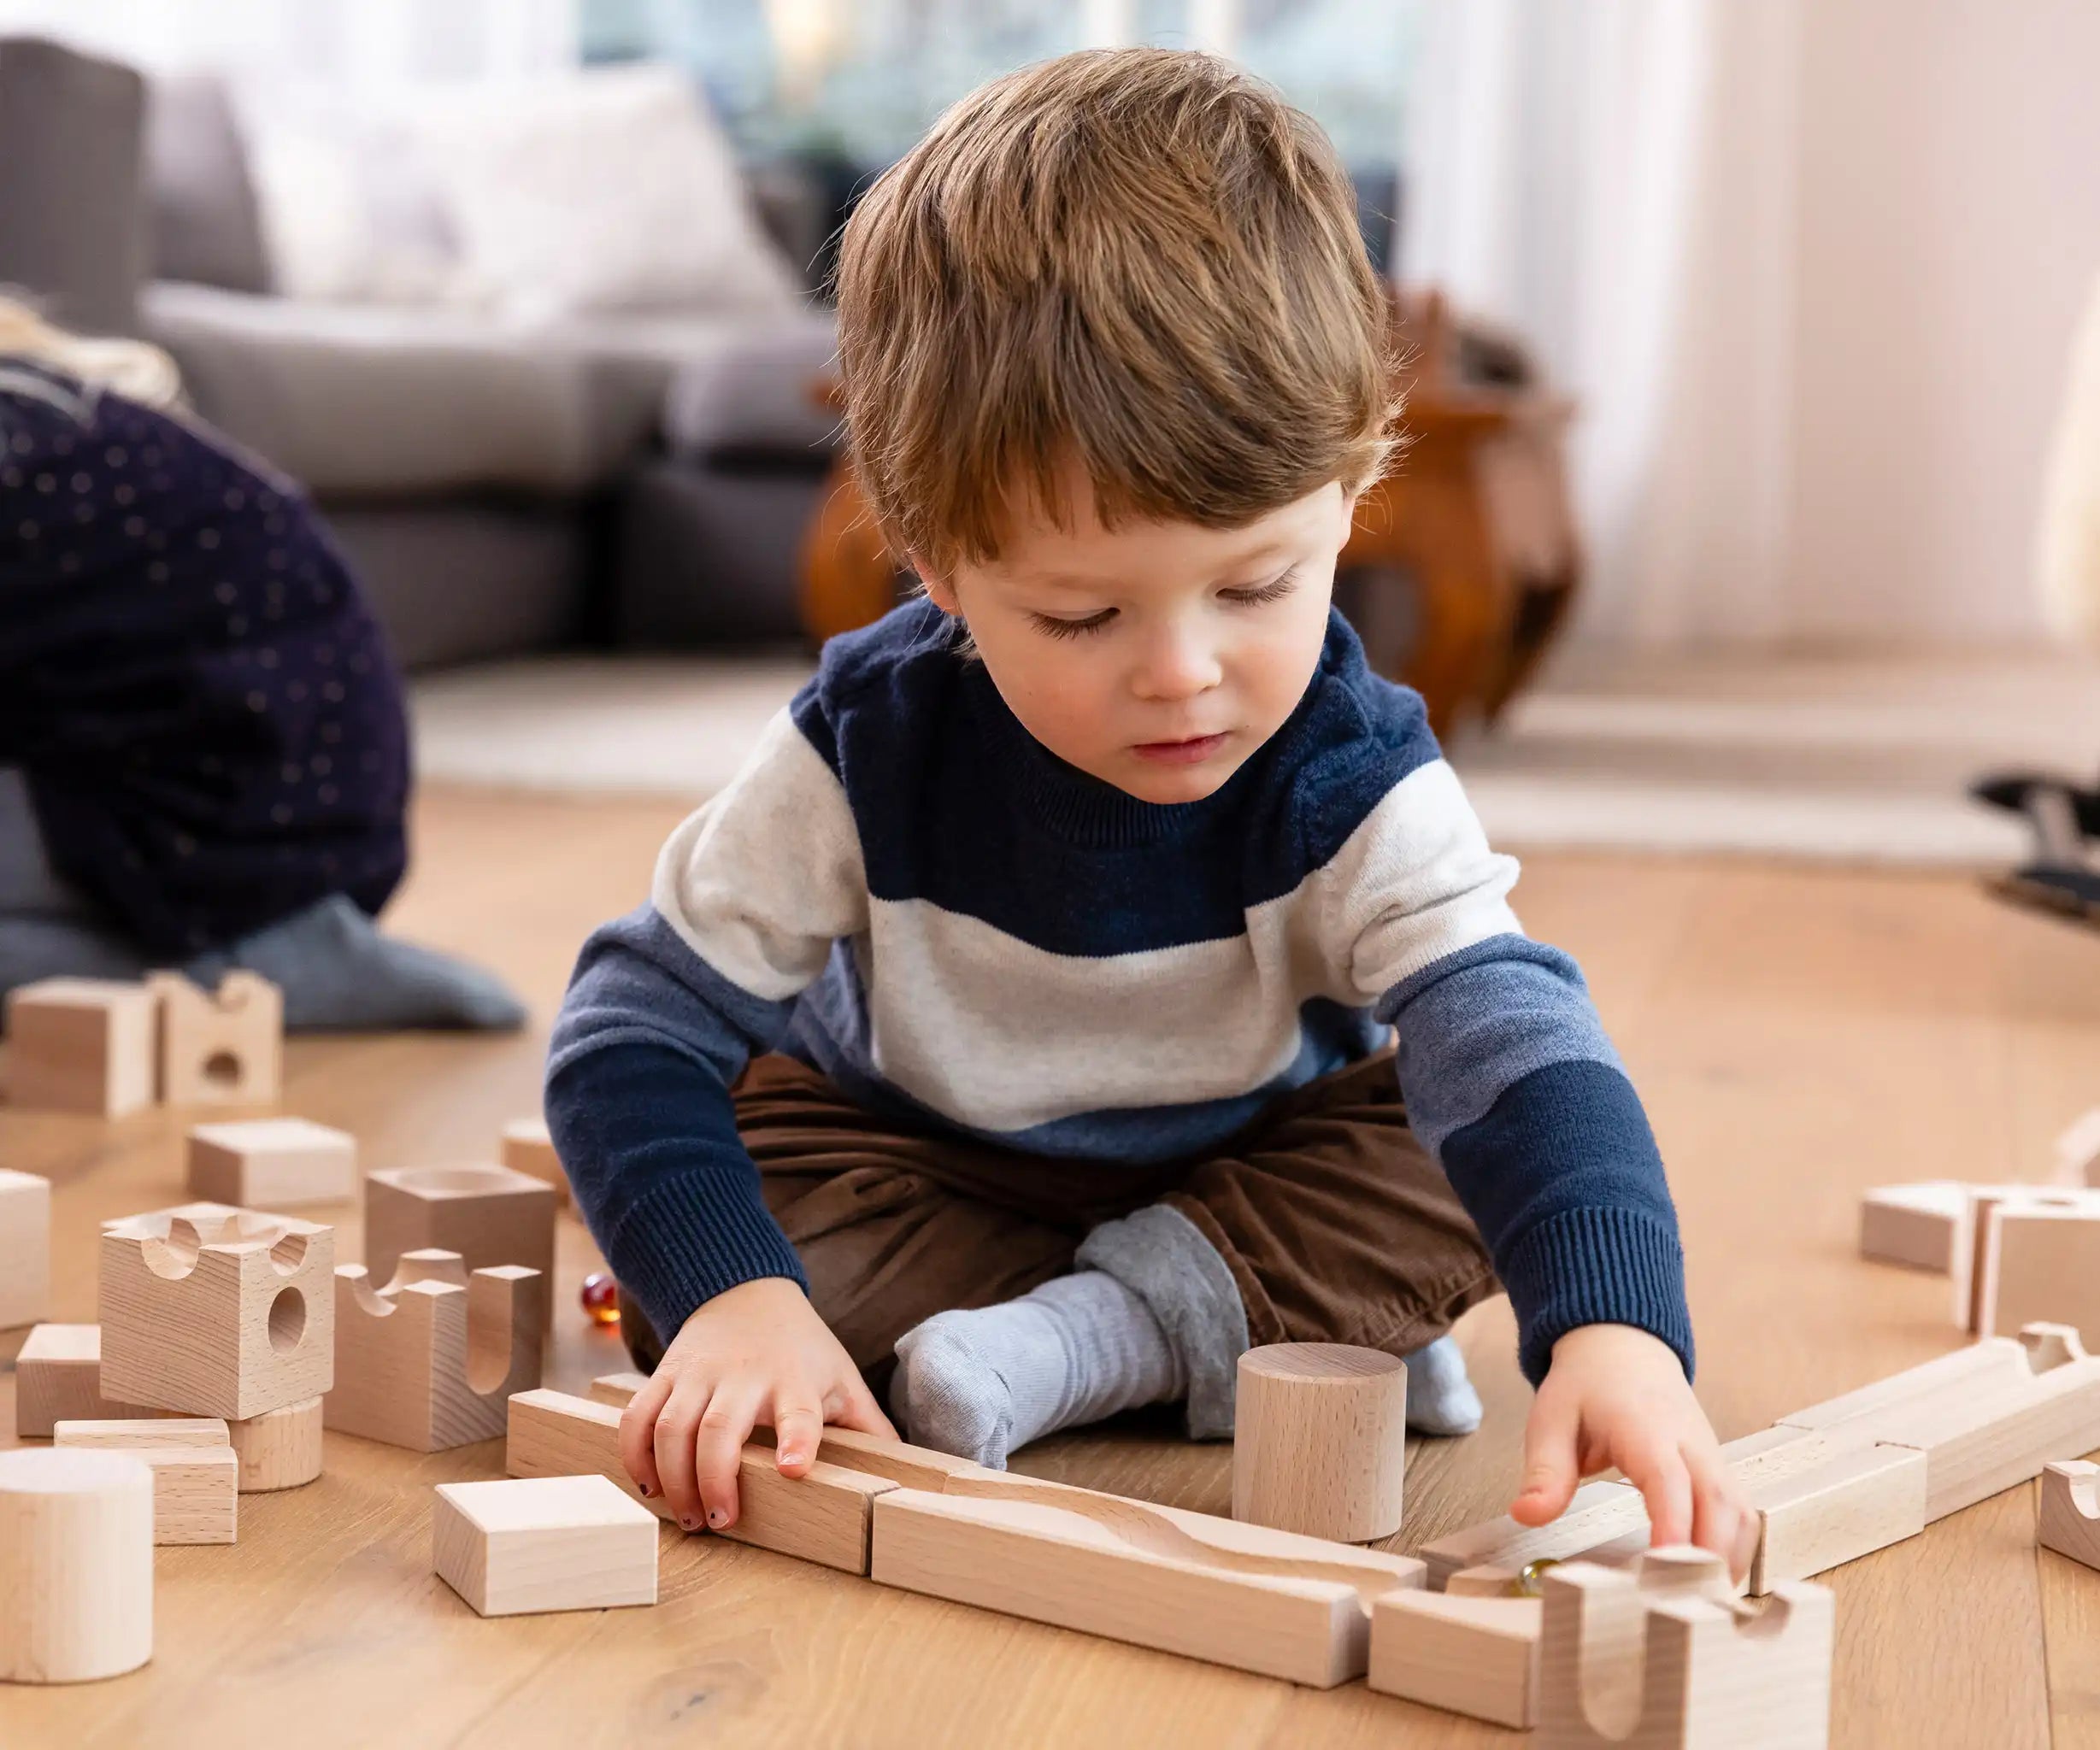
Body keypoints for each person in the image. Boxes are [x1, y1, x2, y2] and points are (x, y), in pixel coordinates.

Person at [548, 47, 1756, 1576]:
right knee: (702, 1252)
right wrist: (736, 1301)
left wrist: (1618, 1334)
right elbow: (627, 1032)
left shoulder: (1353, 771)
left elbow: (1514, 1044)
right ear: (934, 563)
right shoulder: (863, 745)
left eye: (1255, 585)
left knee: (1471, 1141)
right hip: (916, 1160)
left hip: (1249, 1164)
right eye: (1076, 617)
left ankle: (1089, 1340)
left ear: (1349, 485)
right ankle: (1244, 1332)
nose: (1182, 677)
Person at [0, 300, 523, 1029]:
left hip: (220, 825)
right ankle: (252, 955)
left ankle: (255, 971)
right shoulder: (33, 405)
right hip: (300, 816)